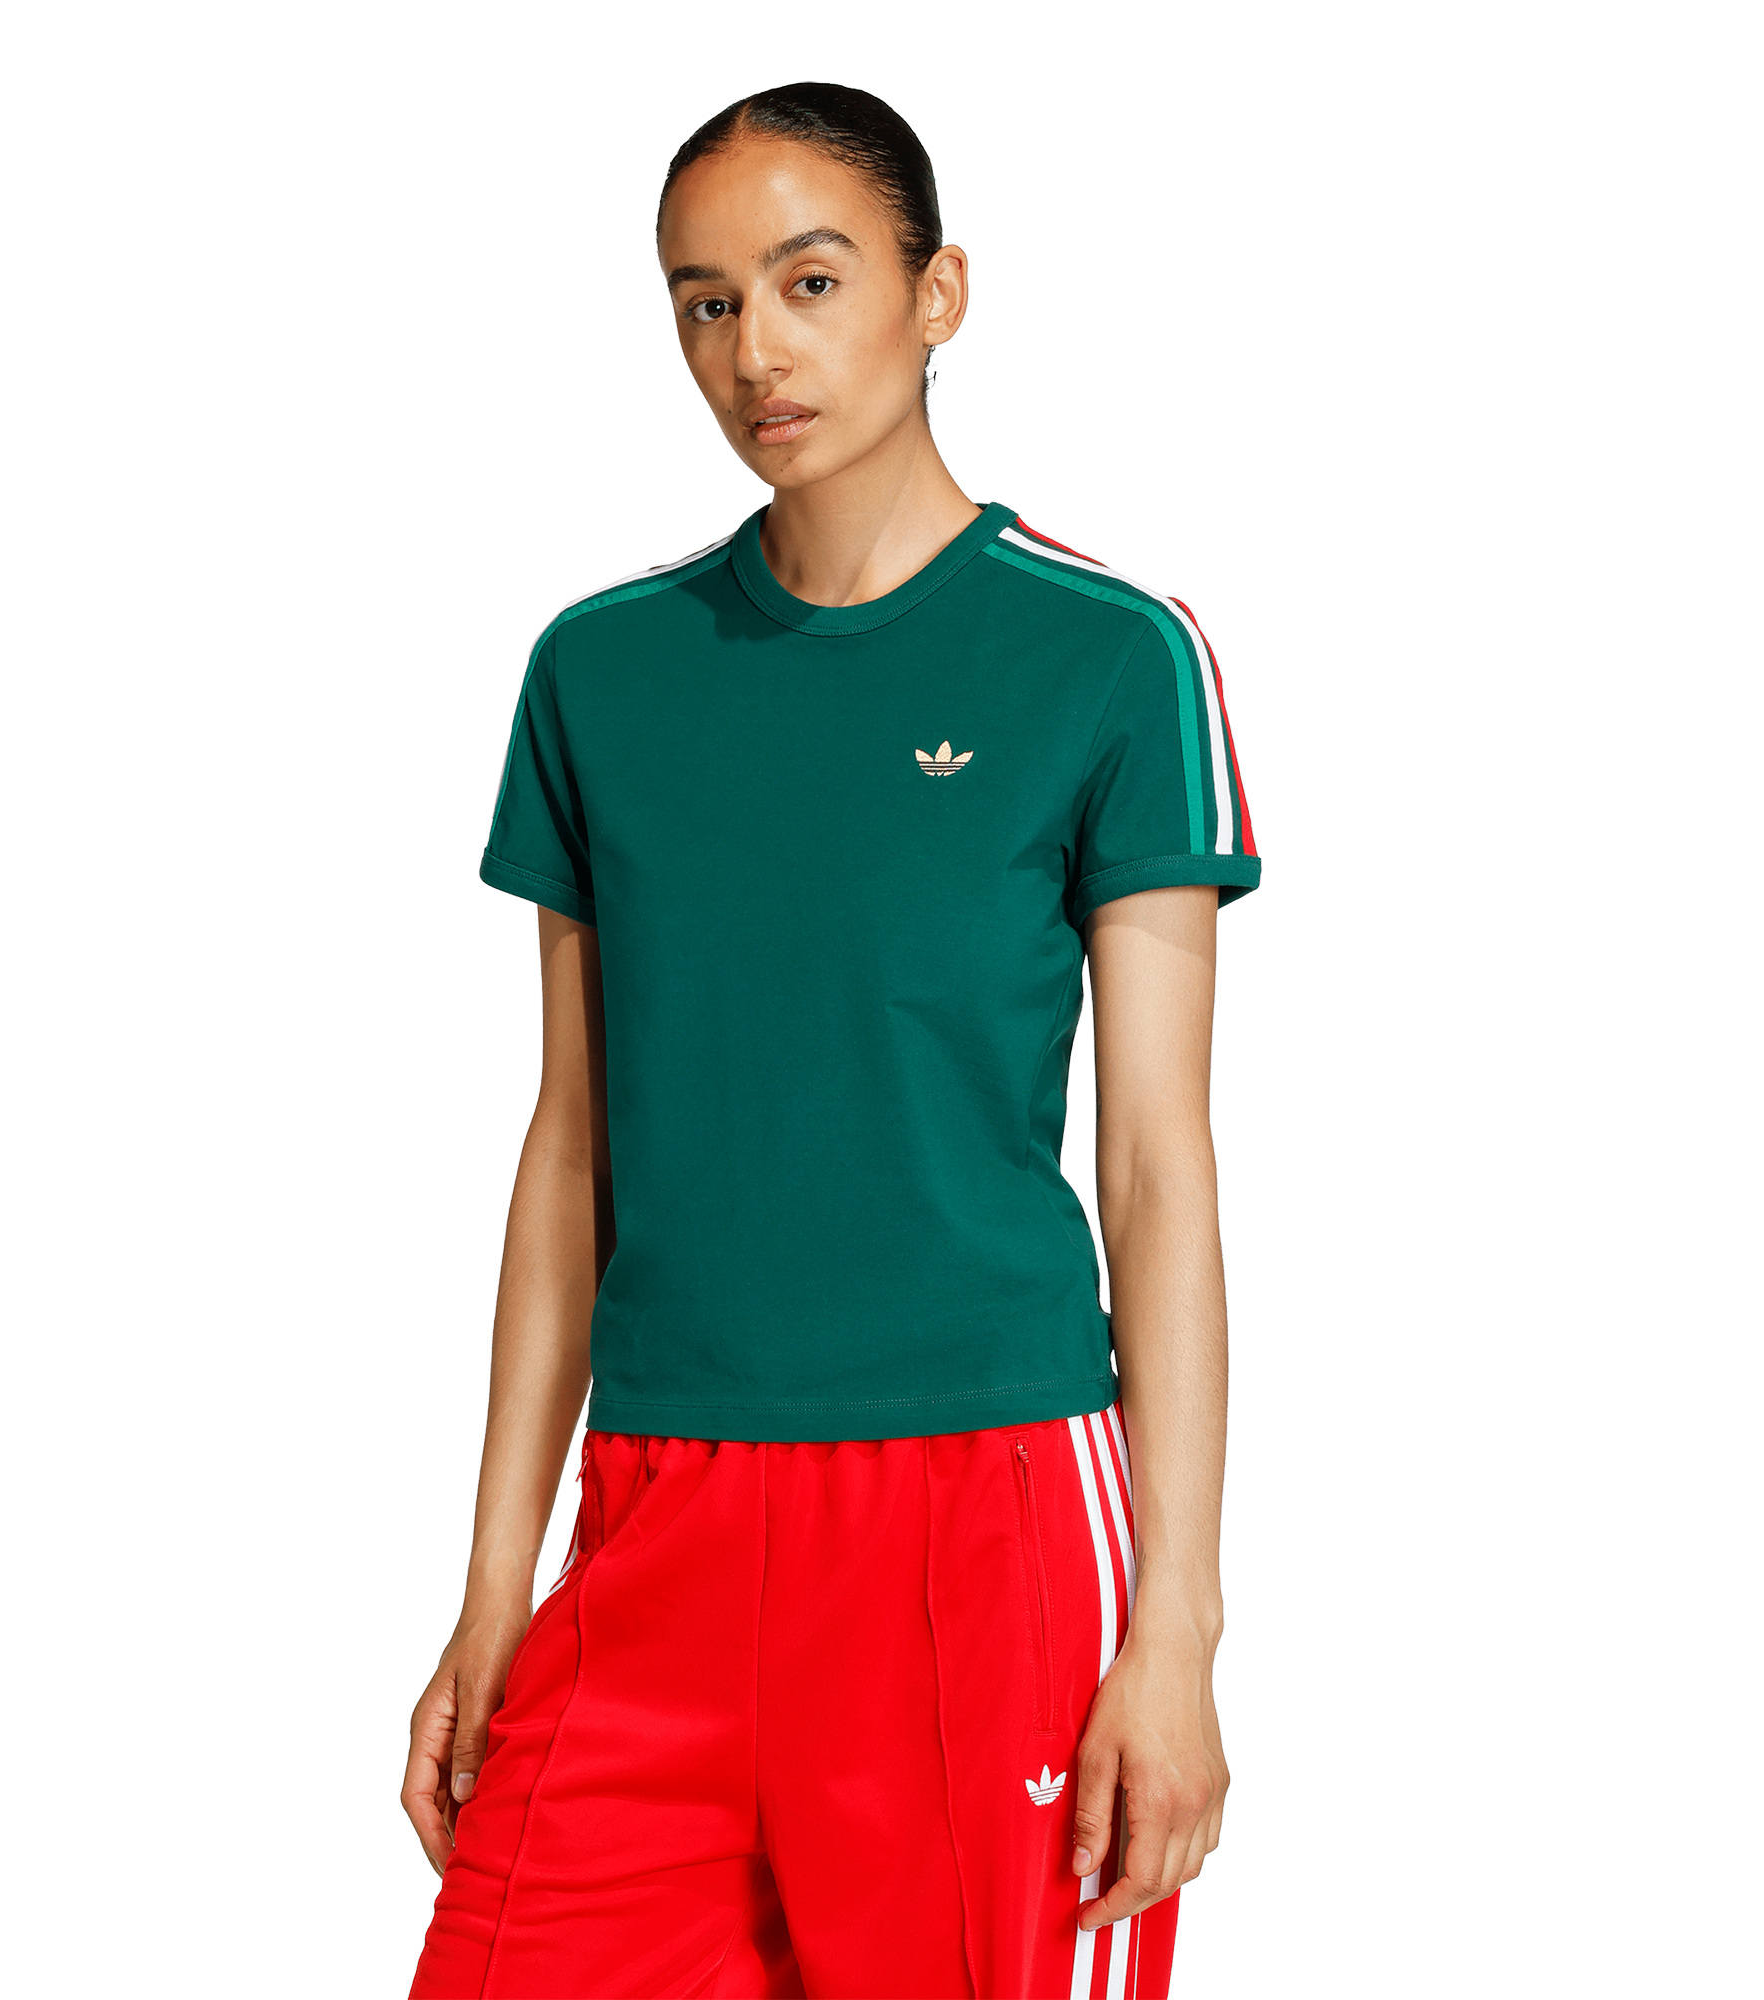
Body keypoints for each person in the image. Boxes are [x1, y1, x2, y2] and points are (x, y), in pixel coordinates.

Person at [403, 80, 1260, 1999]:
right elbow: (570, 1151)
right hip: (658, 1513)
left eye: (810, 282)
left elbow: (1154, 1165)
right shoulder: (598, 669)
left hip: (981, 1512)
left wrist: (1175, 1638)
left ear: (937, 292)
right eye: (705, 302)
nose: (756, 351)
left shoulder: (1110, 659)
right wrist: (489, 1598)